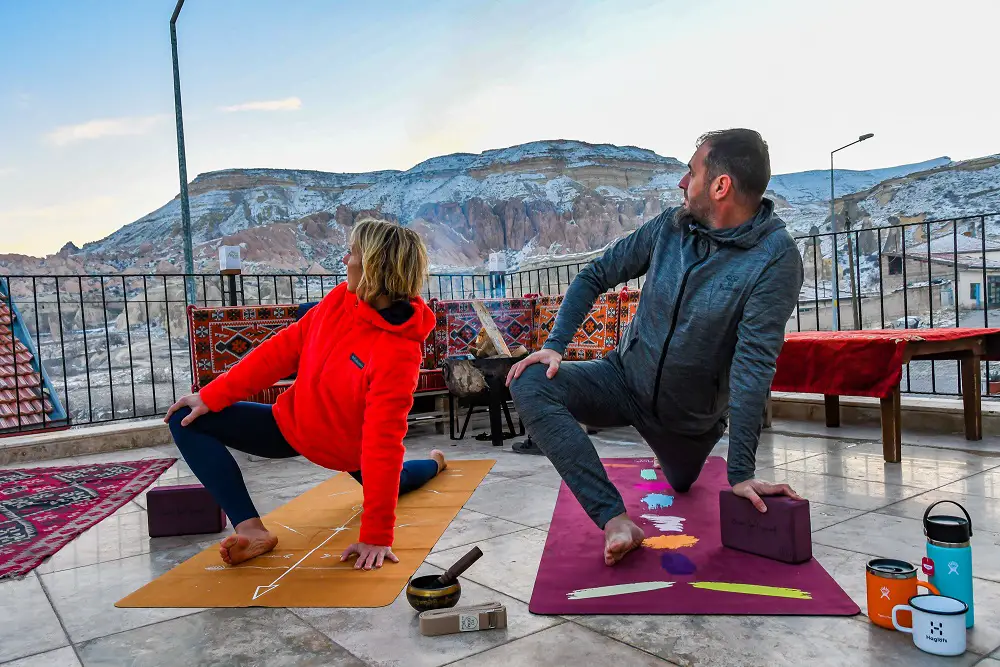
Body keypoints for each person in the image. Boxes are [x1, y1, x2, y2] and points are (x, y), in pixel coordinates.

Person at [507, 129, 804, 566]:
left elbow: (753, 367)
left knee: (682, 483)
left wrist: (740, 472)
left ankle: (679, 460)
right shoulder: (670, 227)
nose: (683, 183)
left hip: (687, 422)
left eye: (691, 172)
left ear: (721, 186)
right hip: (623, 380)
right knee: (530, 381)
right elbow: (594, 275)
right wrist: (554, 346)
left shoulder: (775, 259)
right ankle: (614, 519)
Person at [165, 217, 443, 571]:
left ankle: (436, 462)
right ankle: (252, 531)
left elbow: (383, 441)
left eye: (352, 253)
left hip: (347, 449)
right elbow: (284, 349)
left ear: (374, 265)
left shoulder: (399, 351)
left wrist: (377, 533)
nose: (345, 261)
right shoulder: (341, 299)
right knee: (186, 420)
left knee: (398, 480)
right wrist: (212, 395)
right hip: (291, 425)